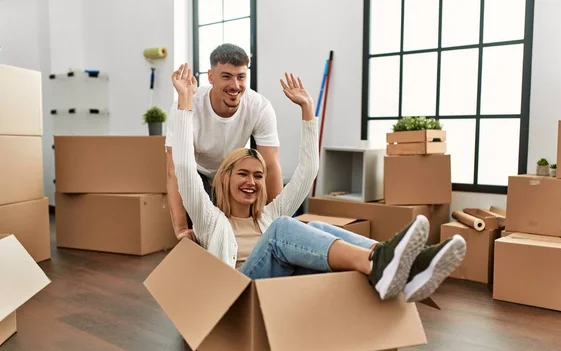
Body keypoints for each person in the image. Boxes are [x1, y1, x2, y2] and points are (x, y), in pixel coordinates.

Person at [170, 64, 467, 302]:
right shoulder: (210, 220)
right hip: (240, 297)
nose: (252, 182)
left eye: (259, 175)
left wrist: (308, 110)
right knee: (283, 229)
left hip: (280, 292)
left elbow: (308, 172)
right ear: (225, 178)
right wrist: (185, 102)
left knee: (316, 229)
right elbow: (183, 165)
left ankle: (411, 266)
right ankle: (379, 262)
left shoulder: (268, 215)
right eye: (243, 174)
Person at [164, 44, 283, 243]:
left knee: (231, 233)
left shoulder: (259, 107)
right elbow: (174, 169)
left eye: (241, 76)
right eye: (226, 76)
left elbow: (270, 165)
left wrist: (278, 222)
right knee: (199, 235)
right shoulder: (187, 105)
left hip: (230, 171)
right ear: (211, 77)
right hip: (195, 171)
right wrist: (181, 228)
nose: (235, 85)